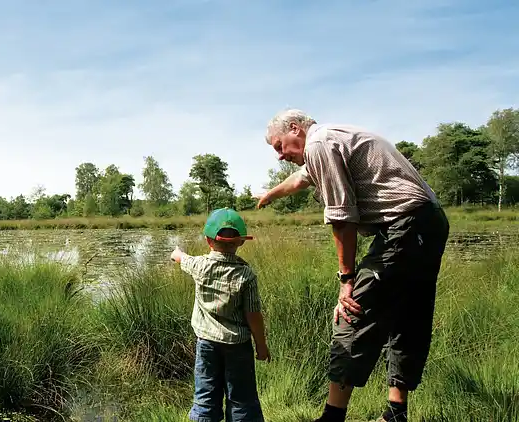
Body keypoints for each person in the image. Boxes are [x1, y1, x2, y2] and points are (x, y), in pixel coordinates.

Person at [256, 109, 450, 422]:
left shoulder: (319, 144)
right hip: (429, 222)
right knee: (407, 315)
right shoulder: (333, 136)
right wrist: (269, 194)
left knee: (351, 311)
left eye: (279, 146)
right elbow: (300, 179)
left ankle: (332, 417)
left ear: (295, 129)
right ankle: (396, 414)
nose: (279, 155)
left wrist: (346, 279)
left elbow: (342, 216)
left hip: (405, 225)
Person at [170, 207, 271, 422]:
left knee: (206, 397)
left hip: (206, 343)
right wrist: (261, 345)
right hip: (238, 347)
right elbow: (253, 314)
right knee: (242, 399)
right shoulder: (246, 275)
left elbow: (181, 258)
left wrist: (176, 253)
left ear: (208, 240)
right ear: (241, 242)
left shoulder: (200, 266)